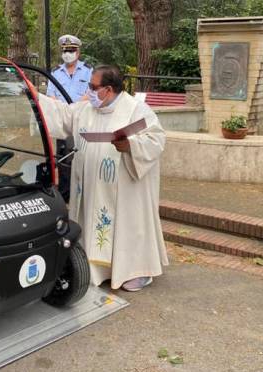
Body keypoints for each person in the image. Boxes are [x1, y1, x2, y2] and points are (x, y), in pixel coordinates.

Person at [30, 65, 168, 292]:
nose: (89, 91)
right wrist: (36, 96)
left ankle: (134, 270)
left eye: (94, 87)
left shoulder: (136, 110)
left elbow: (156, 140)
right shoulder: (86, 109)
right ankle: (94, 268)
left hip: (125, 187)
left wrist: (131, 145)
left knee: (128, 225)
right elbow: (62, 115)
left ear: (109, 89)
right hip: (91, 185)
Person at [46, 35, 93, 203]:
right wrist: (63, 108)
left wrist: (74, 106)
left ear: (78, 52)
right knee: (63, 157)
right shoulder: (55, 72)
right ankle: (65, 194)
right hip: (63, 120)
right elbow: (50, 95)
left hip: (82, 119)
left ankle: (83, 192)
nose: (68, 54)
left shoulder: (88, 71)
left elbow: (91, 93)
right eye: (65, 51)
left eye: (71, 50)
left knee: (82, 155)